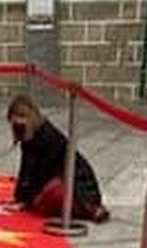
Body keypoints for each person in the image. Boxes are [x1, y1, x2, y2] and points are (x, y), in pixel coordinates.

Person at [7, 92, 109, 221]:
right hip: (58, 180)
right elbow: (26, 169)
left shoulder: (48, 137)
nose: (18, 125)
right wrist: (19, 197)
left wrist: (26, 201)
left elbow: (42, 174)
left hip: (77, 183)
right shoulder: (29, 138)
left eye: (22, 119)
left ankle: (91, 209)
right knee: (41, 201)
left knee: (49, 195)